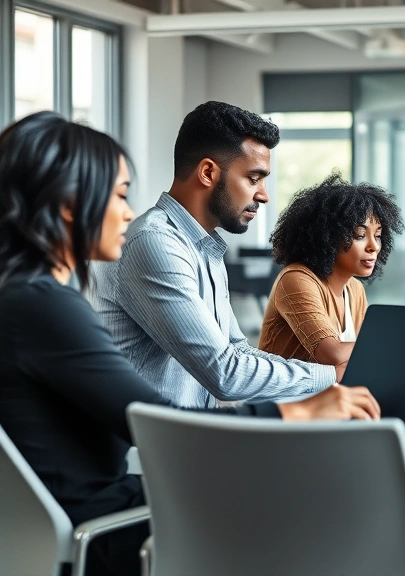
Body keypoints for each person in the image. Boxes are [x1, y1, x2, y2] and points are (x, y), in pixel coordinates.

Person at [0, 112, 381, 576]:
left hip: (121, 505)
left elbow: (227, 362)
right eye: (119, 195)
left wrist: (311, 396)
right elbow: (159, 423)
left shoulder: (34, 299)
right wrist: (298, 410)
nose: (127, 211)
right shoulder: (43, 305)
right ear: (70, 206)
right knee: (322, 502)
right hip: (110, 526)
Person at [93, 101, 344, 408]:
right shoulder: (154, 242)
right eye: (254, 178)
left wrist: (327, 376)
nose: (263, 194)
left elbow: (237, 350)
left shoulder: (203, 246)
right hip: (149, 449)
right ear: (208, 172)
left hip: (189, 439)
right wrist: (330, 377)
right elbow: (225, 373)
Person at [258, 173, 405, 546]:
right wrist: (404, 351)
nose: (372, 246)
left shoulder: (354, 290)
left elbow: (366, 360)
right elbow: (332, 354)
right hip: (295, 420)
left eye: (378, 236)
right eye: (358, 234)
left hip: (344, 414)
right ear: (326, 234)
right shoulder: (297, 280)